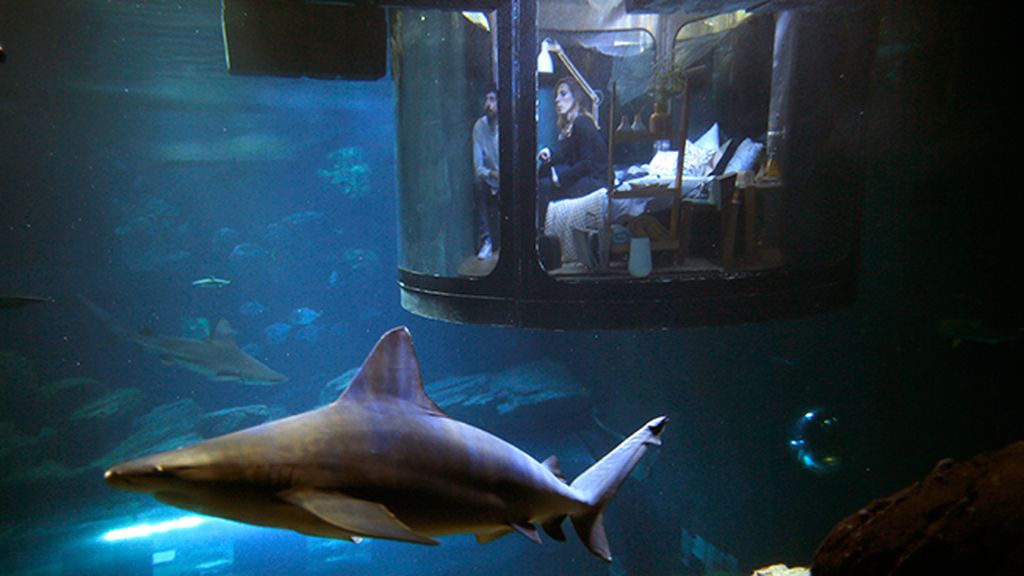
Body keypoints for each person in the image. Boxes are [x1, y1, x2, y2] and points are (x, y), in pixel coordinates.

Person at [537, 76, 608, 226]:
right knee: (543, 175)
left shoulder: (582, 122)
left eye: (563, 94)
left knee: (544, 186)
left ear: (575, 96)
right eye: (556, 95)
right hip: (585, 178)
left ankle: (543, 233)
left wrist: (560, 178)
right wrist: (550, 154)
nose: (557, 99)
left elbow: (587, 164)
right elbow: (566, 157)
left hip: (595, 182)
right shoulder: (568, 128)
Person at [472, 84, 500, 259]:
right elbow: (477, 166)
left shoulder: (508, 125)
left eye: (492, 100)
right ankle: (487, 240)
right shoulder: (479, 127)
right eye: (486, 100)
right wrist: (492, 174)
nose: (488, 104)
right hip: (490, 179)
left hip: (509, 181)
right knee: (477, 183)